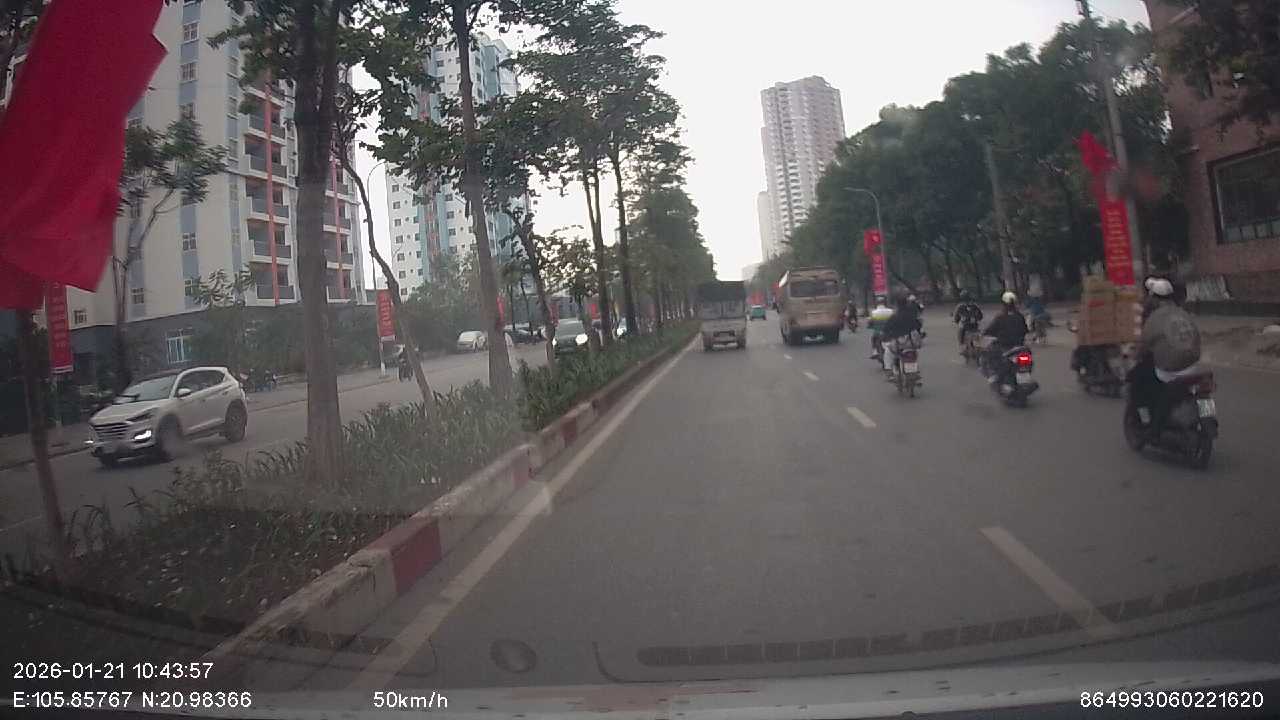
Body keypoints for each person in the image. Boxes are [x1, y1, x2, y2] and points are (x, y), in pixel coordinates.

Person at [1128, 278, 1202, 432]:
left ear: (1154, 298)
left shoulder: (1154, 318)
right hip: (1192, 366)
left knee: (1139, 381)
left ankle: (1149, 423)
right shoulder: (1183, 313)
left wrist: (1136, 356)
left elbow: (1143, 346)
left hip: (1170, 370)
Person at [981, 292, 1028, 382]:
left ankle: (994, 376)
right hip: (1019, 345)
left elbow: (990, 329)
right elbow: (1025, 330)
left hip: (1005, 345)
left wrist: (984, 333)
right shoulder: (1019, 316)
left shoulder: (1000, 317)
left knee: (988, 353)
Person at [880, 293, 924, 378]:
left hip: (898, 344)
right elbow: (918, 325)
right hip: (912, 343)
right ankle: (915, 370)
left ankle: (889, 372)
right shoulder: (911, 315)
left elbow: (886, 328)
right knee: (915, 352)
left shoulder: (895, 316)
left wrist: (885, 335)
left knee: (888, 352)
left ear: (896, 305)